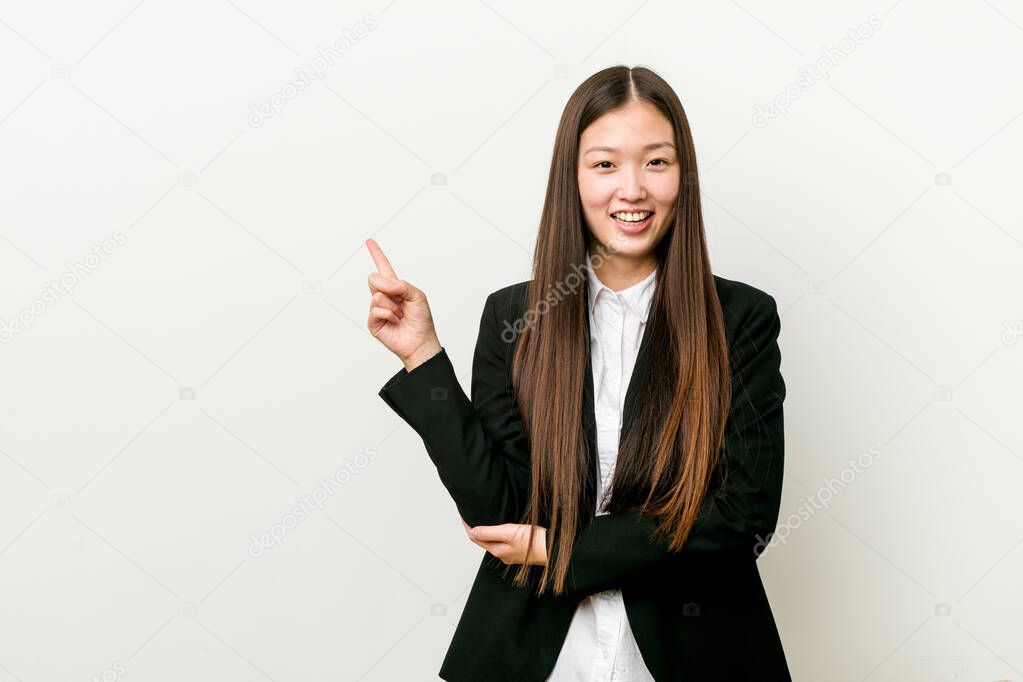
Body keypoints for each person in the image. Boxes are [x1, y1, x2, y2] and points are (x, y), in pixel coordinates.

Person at [366, 65, 791, 682]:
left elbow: (742, 519)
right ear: (572, 176)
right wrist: (423, 356)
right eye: (604, 164)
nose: (632, 190)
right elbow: (499, 510)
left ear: (684, 176)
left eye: (656, 162)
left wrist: (558, 550)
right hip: (538, 653)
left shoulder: (741, 320)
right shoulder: (514, 316)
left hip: (696, 651)